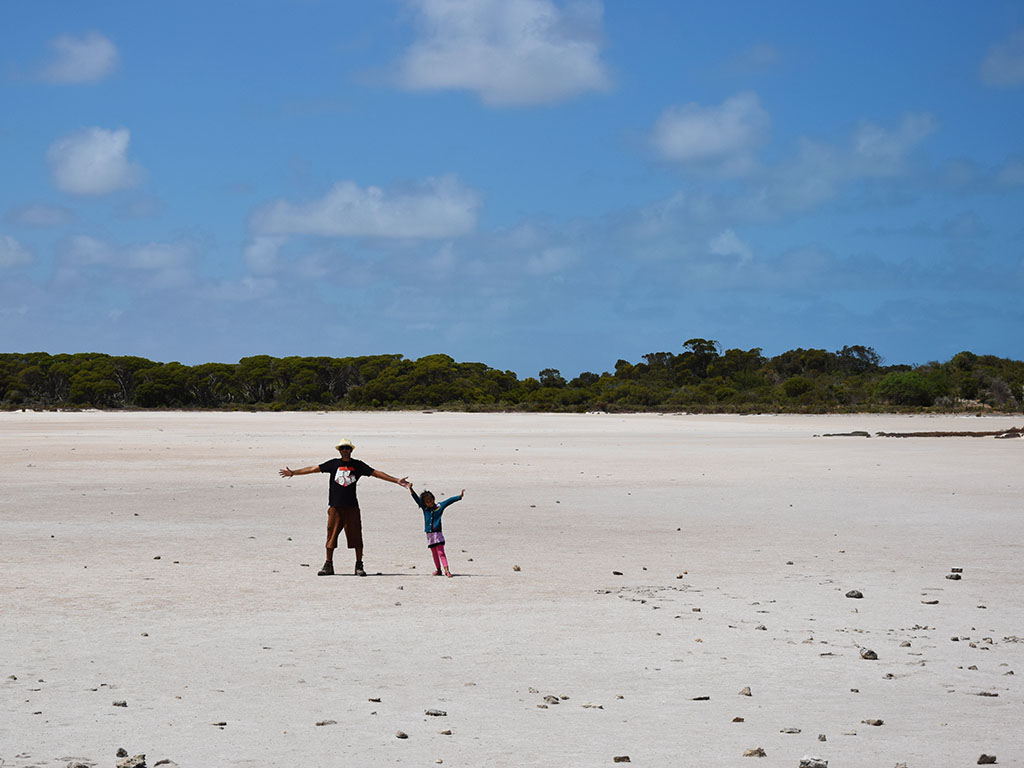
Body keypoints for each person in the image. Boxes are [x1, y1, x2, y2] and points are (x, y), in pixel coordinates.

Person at [279, 438, 409, 576]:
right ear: (339, 451)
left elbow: (376, 473)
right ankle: (328, 565)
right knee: (331, 536)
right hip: (335, 507)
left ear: (351, 450)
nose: (345, 450)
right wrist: (293, 472)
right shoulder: (333, 464)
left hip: (352, 507)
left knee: (356, 537)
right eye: (342, 448)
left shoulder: (358, 465)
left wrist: (396, 480)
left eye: (347, 448)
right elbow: (313, 469)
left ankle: (359, 565)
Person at [408, 484, 465, 577]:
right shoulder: (425, 508)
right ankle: (438, 570)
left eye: (431, 501)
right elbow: (416, 498)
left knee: (441, 552)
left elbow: (448, 501)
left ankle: (447, 570)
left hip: (438, 534)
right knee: (434, 553)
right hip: (429, 535)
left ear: (433, 499)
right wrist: (410, 488)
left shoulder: (439, 506)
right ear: (424, 503)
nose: (430, 503)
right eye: (427, 502)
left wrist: (459, 497)